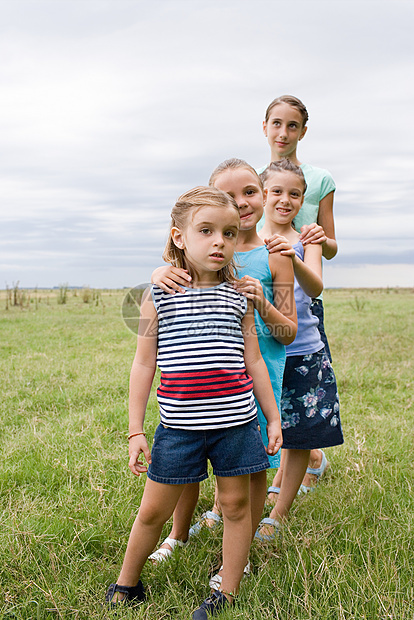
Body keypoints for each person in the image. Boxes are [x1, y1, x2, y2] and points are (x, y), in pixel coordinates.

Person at [105, 186, 283, 619]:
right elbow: (143, 365)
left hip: (236, 425)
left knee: (237, 505)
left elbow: (255, 361)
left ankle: (227, 591)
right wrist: (135, 430)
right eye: (206, 231)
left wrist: (272, 418)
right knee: (153, 511)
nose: (220, 241)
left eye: (228, 232)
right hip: (178, 428)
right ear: (180, 237)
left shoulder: (239, 296)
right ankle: (127, 583)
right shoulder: (159, 295)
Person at [149, 160, 297, 578]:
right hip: (203, 378)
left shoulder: (275, 253)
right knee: (188, 466)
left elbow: (287, 330)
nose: (241, 202)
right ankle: (178, 534)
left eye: (250, 191)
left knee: (247, 475)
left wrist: (262, 300)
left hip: (257, 372)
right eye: (228, 197)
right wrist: (160, 271)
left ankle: (238, 559)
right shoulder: (206, 244)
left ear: (263, 194)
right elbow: (173, 283)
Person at [255, 159, 343, 539]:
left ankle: (277, 513)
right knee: (256, 431)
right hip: (260, 353)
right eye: (276, 191)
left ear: (303, 199)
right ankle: (232, 505)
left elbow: (316, 287)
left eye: (294, 194)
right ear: (261, 196)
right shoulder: (248, 239)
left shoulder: (307, 239)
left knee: (297, 436)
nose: (284, 200)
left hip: (304, 352)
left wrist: (293, 255)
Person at [259, 94, 338, 492]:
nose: (283, 132)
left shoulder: (319, 180)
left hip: (301, 300)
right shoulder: (252, 179)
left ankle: (297, 469)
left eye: (292, 125)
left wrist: (307, 246)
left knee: (296, 399)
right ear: (265, 127)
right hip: (262, 306)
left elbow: (329, 247)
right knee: (268, 399)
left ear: (303, 131)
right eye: (277, 123)